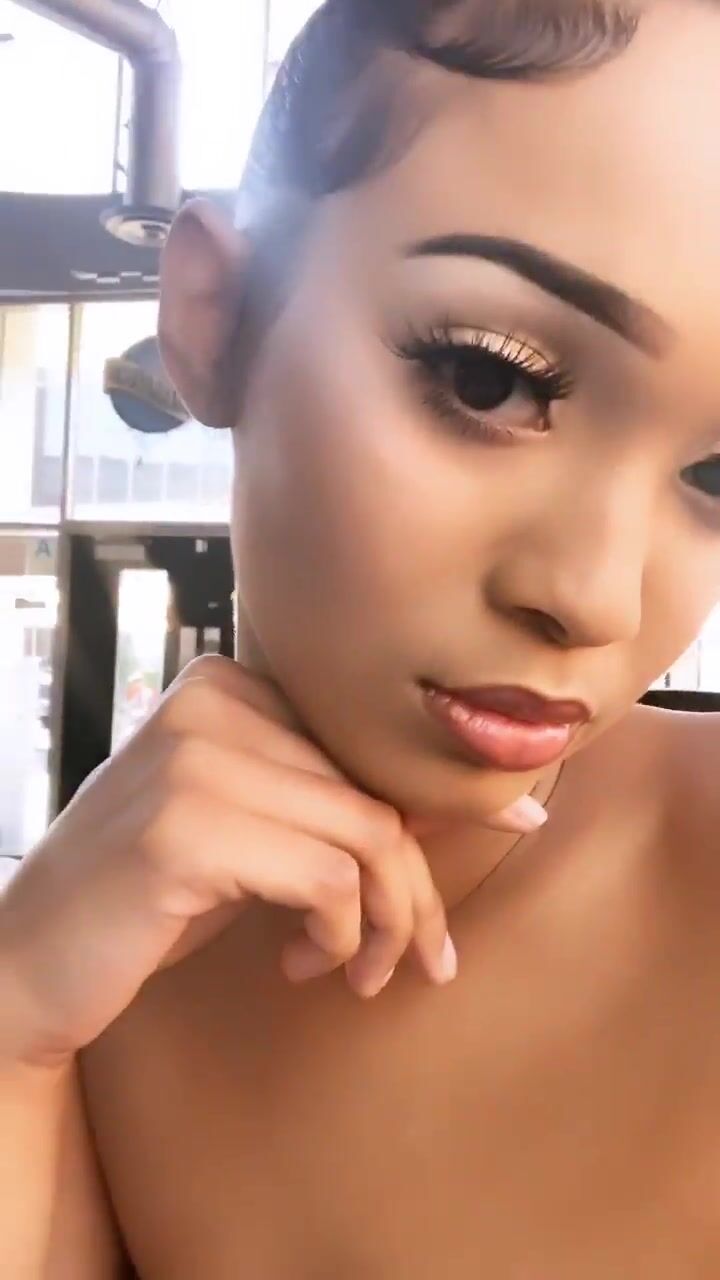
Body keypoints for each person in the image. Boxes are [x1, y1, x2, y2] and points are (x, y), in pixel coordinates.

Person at [3, 0, 720, 1273]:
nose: (598, 596)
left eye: (716, 473)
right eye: (491, 378)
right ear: (216, 316)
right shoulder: (108, 965)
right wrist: (11, 1024)